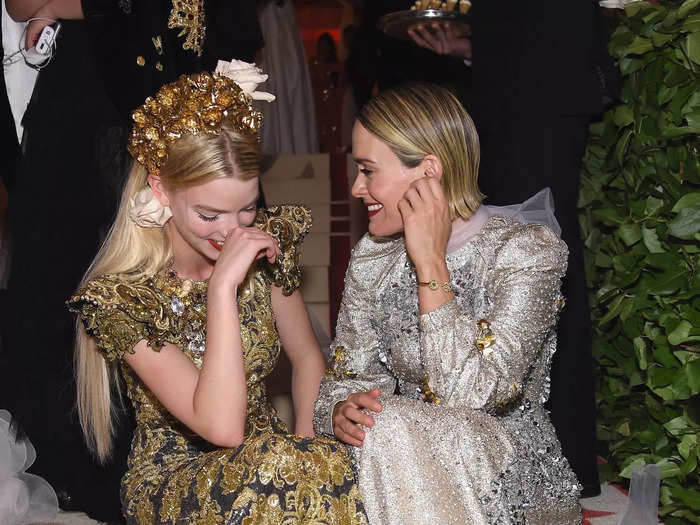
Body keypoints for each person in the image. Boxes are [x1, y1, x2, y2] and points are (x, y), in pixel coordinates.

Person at [67, 67, 367, 524]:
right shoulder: (121, 299)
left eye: (247, 209)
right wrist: (222, 289)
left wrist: (308, 453)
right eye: (210, 214)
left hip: (274, 464)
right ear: (160, 189)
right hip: (174, 479)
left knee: (345, 466)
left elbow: (307, 358)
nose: (232, 231)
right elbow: (223, 427)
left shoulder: (265, 245)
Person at [313, 83, 581, 524]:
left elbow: (474, 396)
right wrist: (342, 411)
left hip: (504, 474)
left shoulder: (526, 251)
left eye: (367, 170)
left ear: (428, 172)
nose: (356, 188)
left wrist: (430, 263)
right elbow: (343, 381)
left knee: (392, 427)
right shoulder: (372, 256)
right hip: (399, 467)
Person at [407, 0, 609, 496]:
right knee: (502, 256)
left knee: (542, 259)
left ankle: (560, 457)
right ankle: (506, 451)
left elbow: (552, 28)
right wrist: (473, 46)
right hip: (508, 88)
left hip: (545, 93)